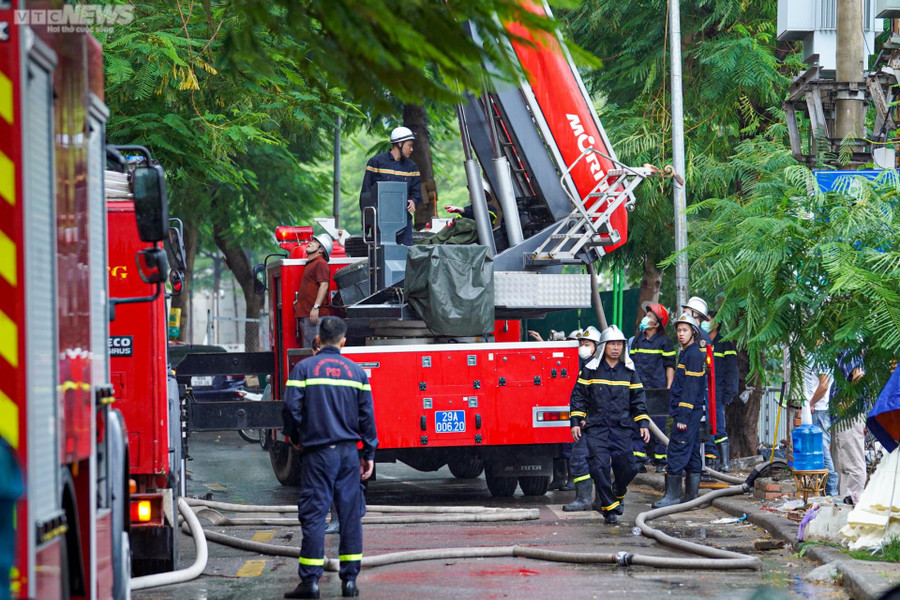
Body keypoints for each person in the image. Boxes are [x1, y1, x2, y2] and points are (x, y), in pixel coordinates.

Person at [282, 316, 378, 599]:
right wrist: (368, 453)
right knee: (350, 516)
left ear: (319, 339)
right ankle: (350, 582)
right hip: (349, 454)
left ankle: (310, 583)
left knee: (314, 515)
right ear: (344, 341)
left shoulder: (304, 369)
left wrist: (296, 437)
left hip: (317, 455)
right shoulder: (357, 373)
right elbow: (367, 417)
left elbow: (290, 408)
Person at [569, 325, 649, 524]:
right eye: (612, 344)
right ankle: (609, 508)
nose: (616, 348)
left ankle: (618, 491)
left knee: (630, 467)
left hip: (621, 428)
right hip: (597, 428)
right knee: (599, 467)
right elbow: (579, 397)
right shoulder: (590, 370)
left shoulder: (629, 371)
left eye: (619, 344)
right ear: (603, 346)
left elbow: (638, 399)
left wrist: (643, 424)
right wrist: (576, 422)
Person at [652, 314, 708, 509]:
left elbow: (691, 387)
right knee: (692, 453)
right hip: (689, 412)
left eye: (685, 330)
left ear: (693, 331)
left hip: (687, 414)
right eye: (678, 330)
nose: (680, 334)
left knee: (676, 450)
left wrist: (682, 416)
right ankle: (691, 497)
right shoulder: (688, 352)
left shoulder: (692, 354)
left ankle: (673, 496)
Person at [629, 302, 676, 471]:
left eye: (650, 316)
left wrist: (668, 388)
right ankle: (639, 459)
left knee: (658, 424)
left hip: (658, 389)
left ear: (657, 324)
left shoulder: (664, 342)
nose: (645, 318)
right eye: (646, 315)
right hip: (639, 389)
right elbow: (631, 365)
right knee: (637, 423)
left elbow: (670, 365)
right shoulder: (636, 341)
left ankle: (660, 460)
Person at [359, 126, 422, 246]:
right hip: (379, 224)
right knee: (380, 258)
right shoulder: (376, 162)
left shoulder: (411, 167)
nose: (412, 149)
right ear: (400, 144)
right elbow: (366, 193)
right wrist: (367, 222)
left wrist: (413, 201)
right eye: (409, 145)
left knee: (405, 257)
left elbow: (417, 192)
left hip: (404, 224)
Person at [563, 327, 604, 511]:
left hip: (592, 424)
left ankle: (584, 499)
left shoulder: (595, 368)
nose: (582, 348)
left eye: (587, 344)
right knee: (594, 460)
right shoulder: (587, 367)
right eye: (581, 344)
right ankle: (597, 500)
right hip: (589, 422)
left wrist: (587, 418)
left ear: (597, 347)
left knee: (581, 459)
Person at [832, 350, 868, 504]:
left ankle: (854, 507)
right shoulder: (843, 352)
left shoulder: (850, 350)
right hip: (845, 418)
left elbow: (859, 377)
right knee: (845, 467)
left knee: (853, 466)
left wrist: (845, 404)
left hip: (850, 417)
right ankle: (846, 510)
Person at [802, 357, 840, 496]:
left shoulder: (820, 355)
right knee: (820, 451)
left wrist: (812, 402)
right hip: (818, 409)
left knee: (822, 451)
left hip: (819, 409)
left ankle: (831, 493)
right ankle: (826, 492)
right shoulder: (815, 354)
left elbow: (824, 385)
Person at [708, 311, 739, 472]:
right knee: (706, 425)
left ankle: (723, 463)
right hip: (704, 392)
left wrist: (729, 393)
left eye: (708, 320)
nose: (704, 323)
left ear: (717, 324)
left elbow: (732, 371)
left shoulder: (725, 344)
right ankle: (710, 459)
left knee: (718, 426)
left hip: (718, 392)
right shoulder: (701, 343)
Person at [294, 234, 333, 349]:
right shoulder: (312, 264)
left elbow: (324, 285)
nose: (310, 243)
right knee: (309, 351)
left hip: (315, 318)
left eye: (315, 242)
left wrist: (316, 307)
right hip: (308, 316)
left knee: (315, 351)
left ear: (321, 249)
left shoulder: (320, 263)